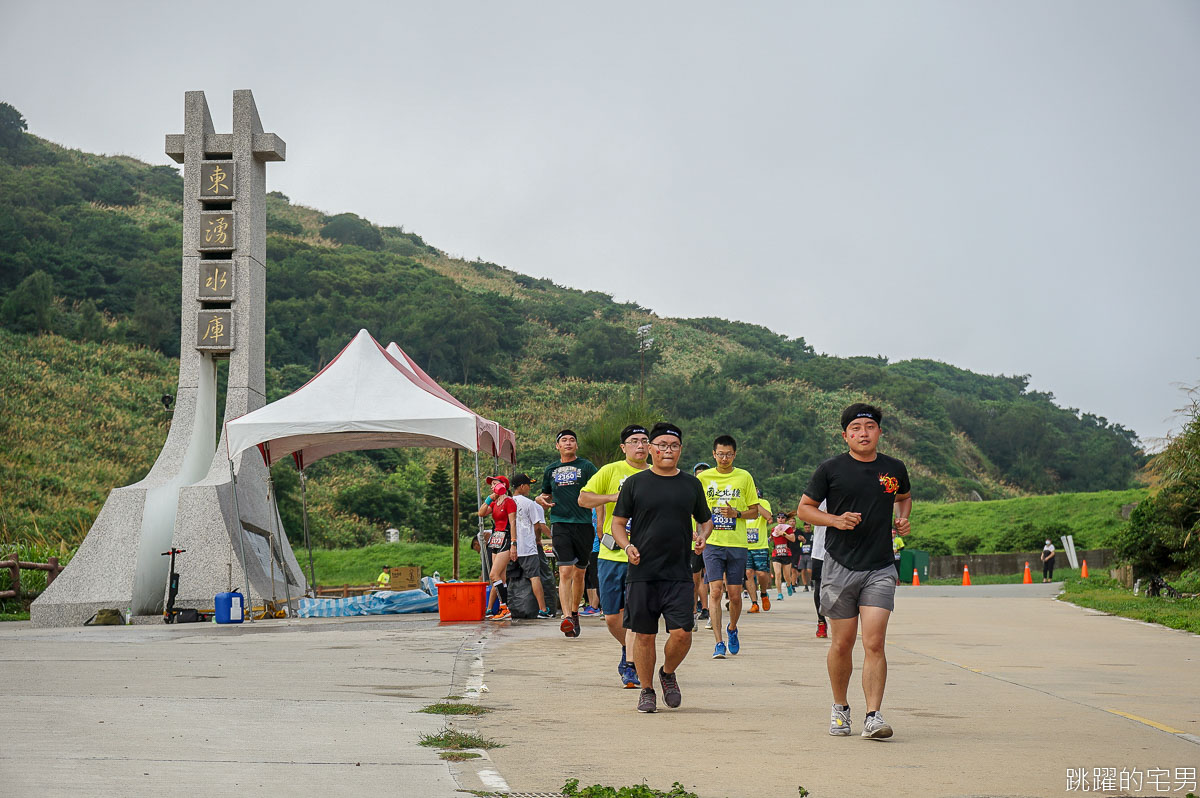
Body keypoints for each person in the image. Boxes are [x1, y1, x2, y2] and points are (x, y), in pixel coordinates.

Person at [796, 403, 911, 740]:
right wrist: (836, 520)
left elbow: (903, 496)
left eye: (869, 427)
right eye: (856, 428)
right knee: (843, 643)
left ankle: (873, 715)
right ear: (845, 434)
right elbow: (805, 509)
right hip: (838, 565)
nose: (863, 433)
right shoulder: (831, 469)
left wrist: (903, 518)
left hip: (880, 566)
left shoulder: (894, 468)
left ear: (879, 432)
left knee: (874, 642)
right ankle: (840, 707)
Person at [610, 422, 713, 713]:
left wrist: (703, 536)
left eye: (674, 446)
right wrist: (626, 545)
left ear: (681, 450)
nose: (668, 451)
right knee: (644, 635)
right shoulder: (635, 483)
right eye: (662, 445)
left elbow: (705, 520)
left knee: (682, 633)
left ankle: (667, 673)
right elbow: (618, 523)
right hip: (642, 572)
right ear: (652, 449)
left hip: (679, 571)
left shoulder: (691, 484)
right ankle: (646, 689)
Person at [579, 424, 651, 689]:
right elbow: (583, 499)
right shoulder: (610, 471)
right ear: (624, 447)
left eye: (645, 441)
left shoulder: (657, 474)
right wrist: (612, 497)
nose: (641, 446)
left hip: (644, 557)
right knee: (612, 617)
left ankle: (631, 664)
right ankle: (628, 648)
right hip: (612, 554)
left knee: (635, 614)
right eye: (634, 441)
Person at [696, 435, 761, 658]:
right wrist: (696, 535)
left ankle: (732, 628)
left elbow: (755, 510)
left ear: (735, 454)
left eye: (729, 454)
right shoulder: (703, 478)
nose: (724, 458)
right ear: (714, 454)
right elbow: (693, 509)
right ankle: (718, 643)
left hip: (737, 544)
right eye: (720, 454)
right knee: (715, 591)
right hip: (713, 543)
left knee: (734, 595)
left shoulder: (744, 477)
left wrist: (737, 514)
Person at [538, 429, 599, 638]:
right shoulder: (551, 470)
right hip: (560, 523)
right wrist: (540, 500)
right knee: (565, 571)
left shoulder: (587, 467)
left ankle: (574, 612)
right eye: (564, 440)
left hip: (583, 524)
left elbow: (597, 493)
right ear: (557, 446)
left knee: (579, 573)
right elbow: (545, 494)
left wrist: (599, 524)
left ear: (577, 446)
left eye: (572, 440)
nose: (568, 443)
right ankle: (565, 617)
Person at [509, 473, 552, 618]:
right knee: (535, 577)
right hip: (528, 547)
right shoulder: (529, 503)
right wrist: (537, 539)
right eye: (528, 485)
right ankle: (543, 609)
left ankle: (503, 608)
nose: (529, 488)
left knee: (505, 577)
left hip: (510, 548)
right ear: (521, 486)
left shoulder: (507, 502)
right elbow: (537, 525)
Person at [479, 475, 518, 619]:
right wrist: (490, 497)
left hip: (506, 538)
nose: (492, 486)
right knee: (501, 576)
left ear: (503, 485)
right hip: (496, 539)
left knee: (493, 574)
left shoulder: (509, 502)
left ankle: (504, 608)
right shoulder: (495, 502)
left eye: (495, 484)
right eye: (491, 484)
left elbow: (513, 523)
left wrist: (514, 543)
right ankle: (503, 608)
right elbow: (481, 513)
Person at [744, 488, 774, 612]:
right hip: (744, 545)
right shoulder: (742, 504)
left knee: (762, 573)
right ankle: (754, 603)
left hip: (760, 545)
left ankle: (763, 593)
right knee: (748, 573)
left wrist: (755, 503)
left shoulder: (763, 503)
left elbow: (768, 516)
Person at [691, 462, 711, 626]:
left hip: (713, 542)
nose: (701, 475)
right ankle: (693, 612)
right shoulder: (689, 491)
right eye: (698, 473)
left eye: (704, 472)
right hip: (693, 543)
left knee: (710, 579)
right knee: (695, 578)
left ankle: (707, 609)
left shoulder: (713, 493)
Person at [810, 506, 828, 637]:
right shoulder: (819, 495)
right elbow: (807, 514)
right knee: (819, 588)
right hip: (820, 551)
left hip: (842, 550)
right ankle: (821, 621)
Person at [769, 513, 795, 601]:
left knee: (787, 576)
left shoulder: (788, 528)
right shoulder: (774, 529)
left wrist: (783, 534)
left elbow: (793, 538)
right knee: (777, 574)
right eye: (778, 517)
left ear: (785, 519)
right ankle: (779, 593)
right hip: (776, 554)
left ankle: (788, 585)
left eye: (782, 518)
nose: (780, 519)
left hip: (786, 554)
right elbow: (771, 538)